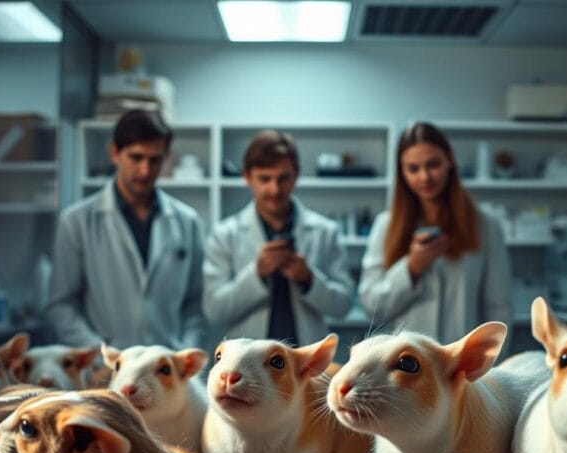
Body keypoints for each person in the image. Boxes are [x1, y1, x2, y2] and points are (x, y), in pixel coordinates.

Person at [47, 109, 206, 349]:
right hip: (106, 369)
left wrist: (183, 353)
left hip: (167, 369)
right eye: (136, 157)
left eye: (155, 160)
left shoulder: (188, 221)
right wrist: (99, 354)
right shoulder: (77, 222)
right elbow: (61, 306)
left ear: (166, 158)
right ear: (115, 153)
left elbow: (195, 304)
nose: (145, 170)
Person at [358, 121, 512, 343]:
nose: (425, 177)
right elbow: (372, 308)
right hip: (408, 367)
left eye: (433, 164)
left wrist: (487, 368)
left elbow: (498, 308)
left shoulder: (485, 226)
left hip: (464, 367)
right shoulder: (386, 225)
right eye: (413, 169)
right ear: (402, 172)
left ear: (449, 159)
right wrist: (411, 268)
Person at [203, 130, 354, 346]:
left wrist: (309, 279)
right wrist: (257, 274)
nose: (275, 189)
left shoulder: (325, 231)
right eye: (265, 179)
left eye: (283, 178)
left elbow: (343, 305)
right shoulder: (225, 234)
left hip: (306, 361)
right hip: (248, 364)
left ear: (296, 175)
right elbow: (214, 311)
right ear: (247, 177)